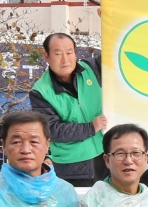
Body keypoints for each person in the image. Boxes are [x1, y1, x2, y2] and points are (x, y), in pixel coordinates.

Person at [27, 33, 107, 187]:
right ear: (47, 56)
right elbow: (53, 130)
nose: (65, 59)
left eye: (69, 52)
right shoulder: (40, 91)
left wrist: (109, 19)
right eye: (58, 54)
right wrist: (91, 127)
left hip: (105, 157)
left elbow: (114, 54)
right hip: (72, 168)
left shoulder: (92, 69)